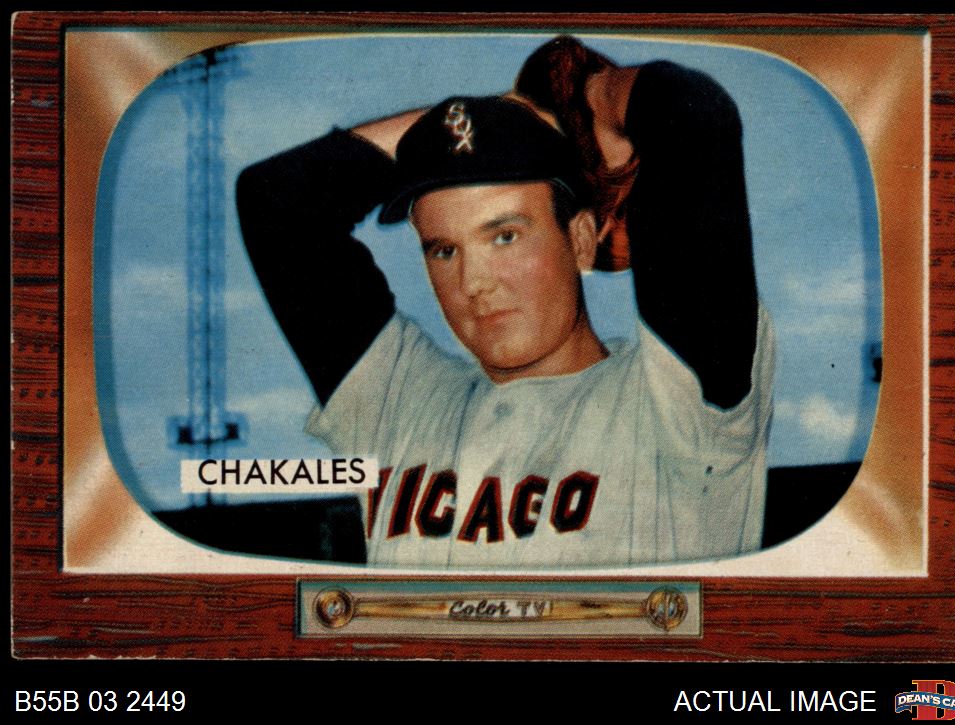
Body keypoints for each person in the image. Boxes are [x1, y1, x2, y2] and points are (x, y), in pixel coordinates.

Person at [236, 36, 775, 568]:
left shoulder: (677, 406)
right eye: (445, 250)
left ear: (580, 239)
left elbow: (688, 110)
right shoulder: (400, 404)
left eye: (505, 236)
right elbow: (276, 201)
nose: (474, 282)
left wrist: (584, 99)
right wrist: (492, 117)